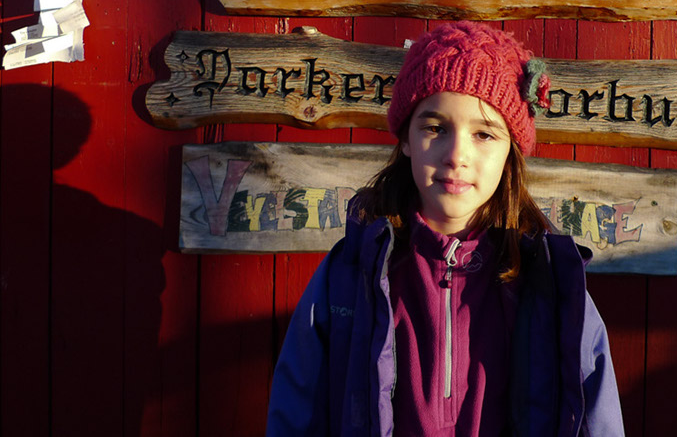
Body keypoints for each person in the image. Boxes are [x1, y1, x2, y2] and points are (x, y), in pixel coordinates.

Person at [266, 22, 624, 436]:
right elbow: (296, 411)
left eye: (483, 134)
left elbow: (597, 417)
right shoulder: (350, 274)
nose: (456, 155)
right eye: (435, 128)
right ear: (405, 138)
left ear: (510, 152)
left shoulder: (550, 282)